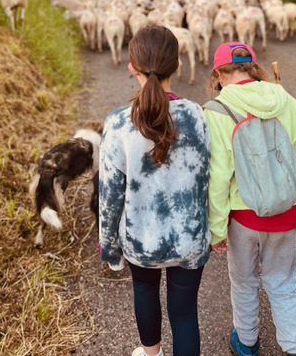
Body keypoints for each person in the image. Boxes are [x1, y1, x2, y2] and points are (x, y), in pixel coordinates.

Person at [204, 42, 296, 356]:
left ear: (217, 73)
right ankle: (295, 347)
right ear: (253, 67)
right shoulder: (279, 96)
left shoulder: (217, 110)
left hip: (244, 215)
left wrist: (216, 229)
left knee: (244, 281)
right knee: (282, 282)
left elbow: (218, 178)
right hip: (286, 211)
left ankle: (246, 343)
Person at [99, 25, 211, 356]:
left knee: (144, 291)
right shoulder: (195, 114)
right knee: (185, 312)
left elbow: (109, 194)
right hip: (189, 238)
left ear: (131, 66)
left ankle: (152, 354)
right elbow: (205, 176)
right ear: (176, 65)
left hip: (140, 241)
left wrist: (109, 246)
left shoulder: (118, 123)